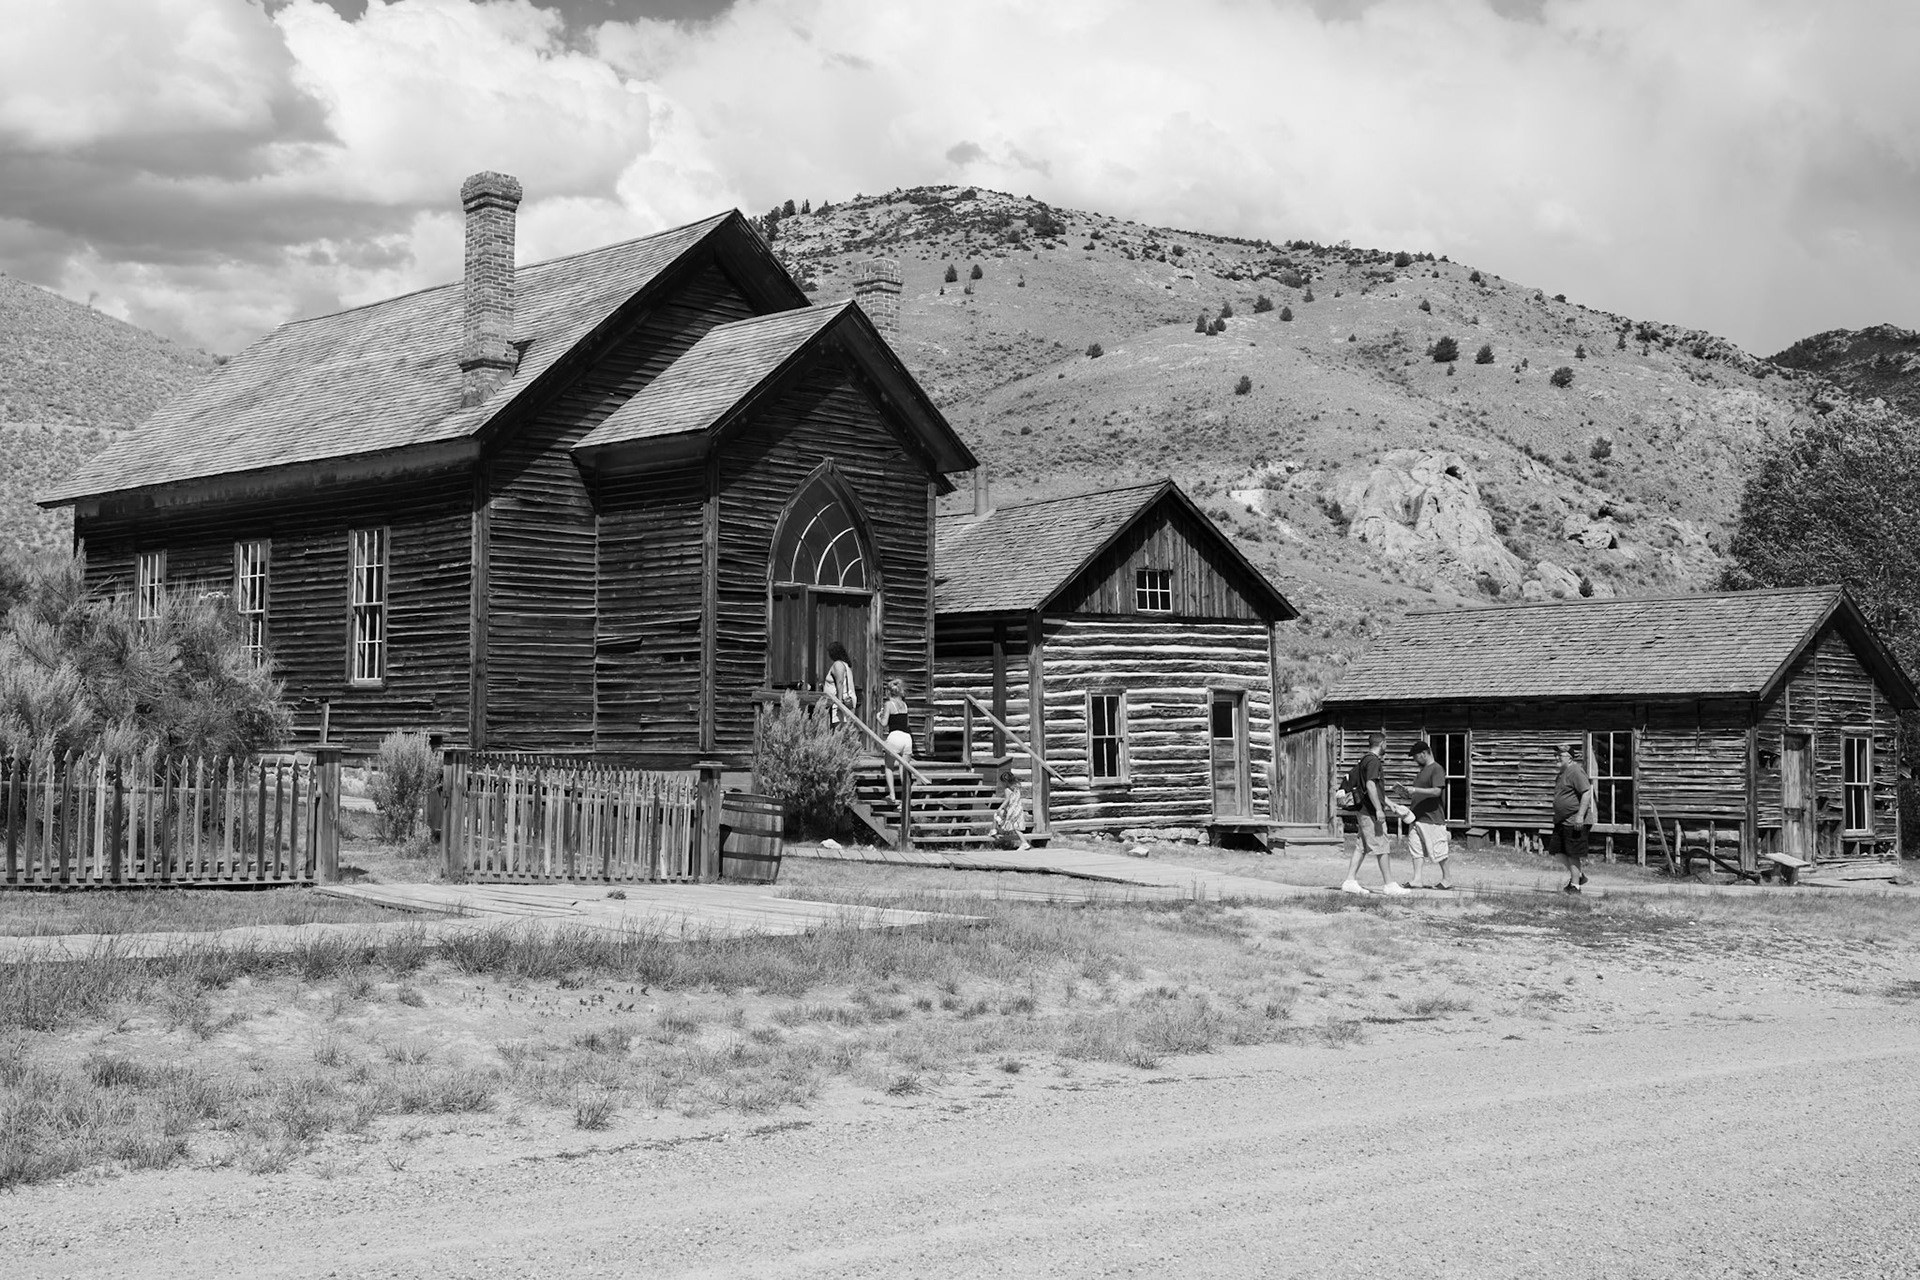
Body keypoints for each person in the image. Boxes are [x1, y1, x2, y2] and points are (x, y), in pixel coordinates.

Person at [1343, 731, 1407, 895]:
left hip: (1364, 810)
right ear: (1382, 743)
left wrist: (1390, 804)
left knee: (1362, 846)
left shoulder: (1365, 760)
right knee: (1382, 845)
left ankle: (1350, 881)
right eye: (1386, 743)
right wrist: (1379, 809)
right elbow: (1370, 786)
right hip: (1370, 811)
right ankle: (1389, 884)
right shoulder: (1373, 761)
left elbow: (1374, 789)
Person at [1395, 740, 1454, 890]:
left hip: (1432, 817)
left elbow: (1437, 791)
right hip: (1416, 817)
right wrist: (1407, 793)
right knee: (1416, 848)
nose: (1414, 760)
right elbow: (1421, 793)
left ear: (1423, 754)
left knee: (1438, 849)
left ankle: (1447, 879)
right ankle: (1417, 879)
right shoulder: (1421, 773)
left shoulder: (1437, 769)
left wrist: (1415, 790)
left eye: (1415, 756)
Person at [1551, 742, 1594, 894]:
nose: (1556, 758)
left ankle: (1575, 886)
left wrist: (1580, 816)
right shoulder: (1562, 773)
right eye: (1555, 755)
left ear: (1569, 758)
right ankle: (1579, 875)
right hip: (1563, 820)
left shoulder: (1576, 771)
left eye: (1560, 755)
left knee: (1572, 853)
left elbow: (1586, 792)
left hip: (1575, 820)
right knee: (1557, 851)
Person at [880, 678, 912, 802]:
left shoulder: (889, 704)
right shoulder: (904, 705)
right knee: (904, 769)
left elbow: (884, 723)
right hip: (907, 738)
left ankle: (892, 795)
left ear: (889, 692)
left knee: (889, 766)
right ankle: (906, 799)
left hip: (895, 736)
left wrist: (878, 717)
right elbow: (907, 723)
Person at [991, 768, 1030, 850]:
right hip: (1018, 809)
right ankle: (1024, 842)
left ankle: (994, 830)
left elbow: (1007, 800)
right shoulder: (1017, 788)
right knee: (1016, 827)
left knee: (997, 814)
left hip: (1011, 810)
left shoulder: (1007, 790)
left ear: (1005, 782)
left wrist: (1000, 807)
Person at [823, 640, 856, 726]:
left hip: (840, 701)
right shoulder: (845, 665)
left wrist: (839, 702)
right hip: (843, 700)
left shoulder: (838, 664)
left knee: (839, 727)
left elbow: (840, 682)